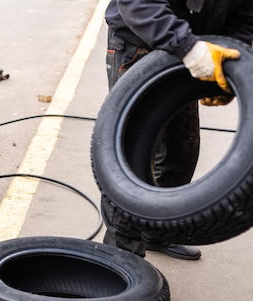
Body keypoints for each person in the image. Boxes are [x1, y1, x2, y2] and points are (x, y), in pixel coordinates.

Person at [102, 0, 253, 260]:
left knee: (181, 147)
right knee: (130, 154)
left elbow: (246, 15)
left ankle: (158, 231)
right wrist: (188, 48)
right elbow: (138, 3)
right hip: (140, 44)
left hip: (193, 46)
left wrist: (228, 62)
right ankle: (122, 255)